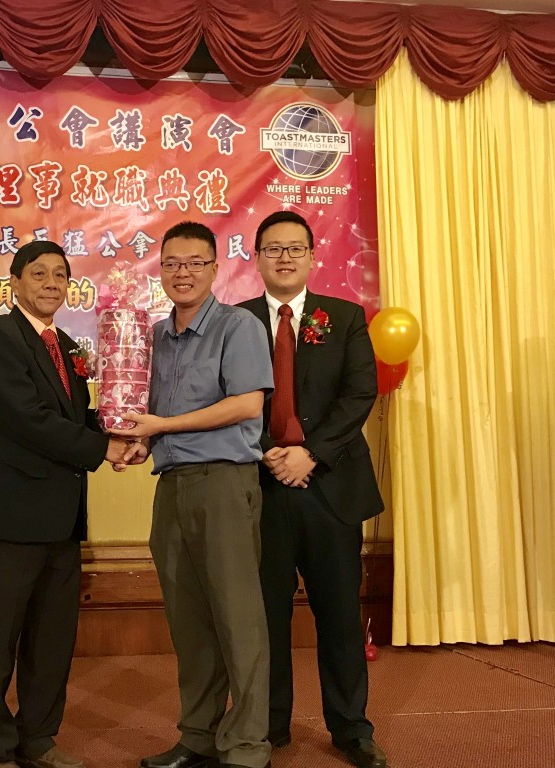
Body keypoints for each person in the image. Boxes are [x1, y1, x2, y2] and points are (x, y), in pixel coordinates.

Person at [112, 221, 273, 768]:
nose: (182, 273)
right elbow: (153, 416)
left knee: (238, 617)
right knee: (189, 621)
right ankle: (198, 736)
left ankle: (247, 745)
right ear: (160, 269)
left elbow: (246, 404)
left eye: (194, 263)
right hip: (172, 485)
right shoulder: (154, 336)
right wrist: (140, 441)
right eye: (172, 263)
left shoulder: (238, 326)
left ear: (214, 268)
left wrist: (162, 425)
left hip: (224, 483)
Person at [0, 240, 129, 768]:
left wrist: (123, 431)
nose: (51, 284)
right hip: (12, 517)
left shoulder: (66, 344)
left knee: (52, 640)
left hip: (63, 517)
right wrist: (102, 448)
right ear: (14, 282)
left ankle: (38, 738)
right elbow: (27, 417)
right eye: (39, 274)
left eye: (60, 275)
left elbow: (74, 419)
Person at [237, 210, 387, 768]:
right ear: (256, 257)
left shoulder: (343, 317)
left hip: (331, 488)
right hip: (262, 488)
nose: (284, 257)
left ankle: (351, 729)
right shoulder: (235, 321)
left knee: (340, 617)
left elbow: (359, 393)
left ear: (312, 256)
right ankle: (268, 725)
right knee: (265, 617)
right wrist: (267, 451)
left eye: (294, 248)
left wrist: (311, 453)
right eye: (273, 248)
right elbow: (224, 394)